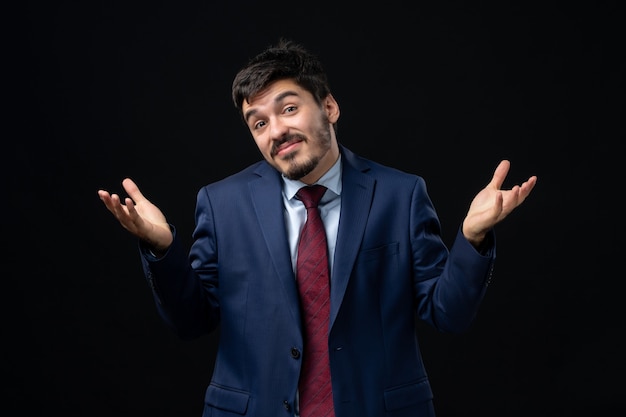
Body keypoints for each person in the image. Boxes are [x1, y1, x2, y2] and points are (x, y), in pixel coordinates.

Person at [97, 38, 537, 417]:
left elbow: (448, 313)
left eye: (289, 108)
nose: (277, 131)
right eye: (259, 123)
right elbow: (193, 320)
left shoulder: (399, 195)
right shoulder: (222, 203)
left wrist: (472, 238)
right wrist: (162, 248)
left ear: (328, 106)